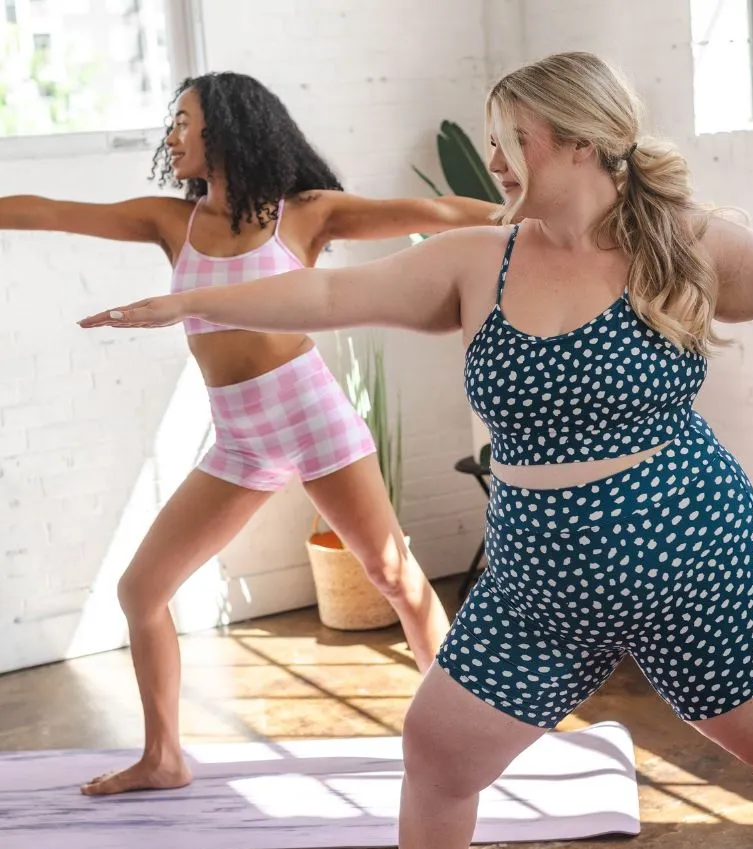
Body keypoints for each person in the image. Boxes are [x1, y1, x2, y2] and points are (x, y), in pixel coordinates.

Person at [80, 52, 753, 849]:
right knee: (439, 745)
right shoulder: (480, 260)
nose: (495, 159)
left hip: (691, 558)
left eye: (512, 138)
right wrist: (193, 300)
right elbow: (334, 296)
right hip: (541, 580)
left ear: (580, 138)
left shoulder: (684, 245)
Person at [2, 71, 498, 797]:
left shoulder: (303, 213)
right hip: (239, 438)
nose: (170, 137)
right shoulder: (168, 221)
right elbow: (46, 210)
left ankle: (462, 736)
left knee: (393, 574)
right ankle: (164, 758)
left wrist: (539, 214)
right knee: (142, 590)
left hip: (309, 414)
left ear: (226, 130)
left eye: (183, 122)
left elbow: (436, 208)